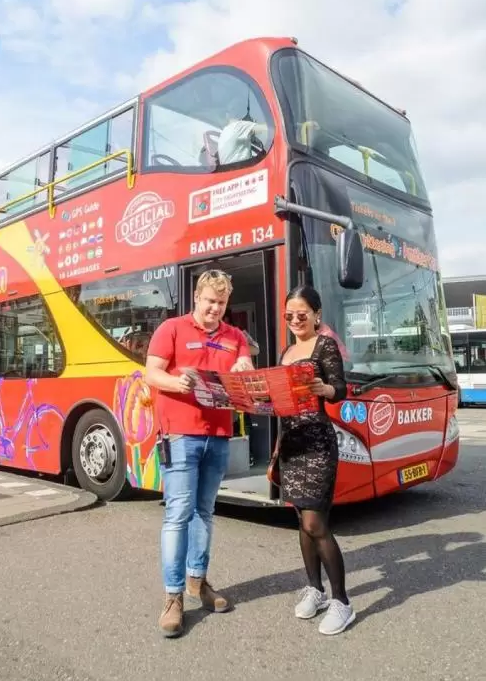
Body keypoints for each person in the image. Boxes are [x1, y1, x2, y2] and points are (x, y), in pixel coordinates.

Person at [144, 269, 255, 637]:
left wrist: (243, 368)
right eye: (210, 301)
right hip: (179, 435)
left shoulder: (235, 336)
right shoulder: (171, 329)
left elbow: (247, 377)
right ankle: (173, 596)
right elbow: (151, 374)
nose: (215, 309)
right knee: (178, 514)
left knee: (204, 513)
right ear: (197, 297)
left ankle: (197, 581)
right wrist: (177, 382)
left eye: (221, 303)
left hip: (218, 435)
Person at [272, 285, 354, 635]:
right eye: (288, 315)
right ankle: (315, 590)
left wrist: (325, 390)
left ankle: (342, 602)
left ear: (316, 314)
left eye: (301, 313)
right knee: (301, 522)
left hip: (318, 442)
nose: (294, 320)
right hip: (291, 443)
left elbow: (341, 388)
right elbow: (281, 406)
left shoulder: (325, 345)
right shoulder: (286, 352)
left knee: (316, 523)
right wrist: (276, 452)